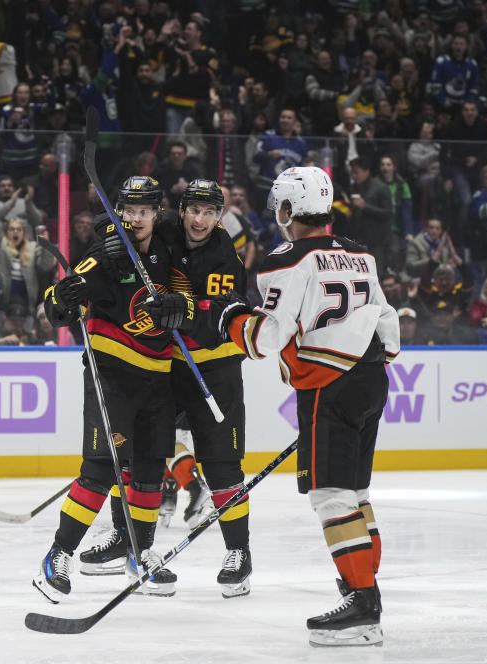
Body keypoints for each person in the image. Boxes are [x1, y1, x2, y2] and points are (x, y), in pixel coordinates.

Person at [187, 166, 398, 647]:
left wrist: (230, 318)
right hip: (371, 378)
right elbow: (386, 321)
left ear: (286, 210)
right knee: (356, 493)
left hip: (329, 385)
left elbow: (268, 338)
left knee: (331, 497)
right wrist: (366, 365)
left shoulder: (287, 258)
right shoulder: (360, 253)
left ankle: (362, 607)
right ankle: (361, 587)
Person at [33, 176, 178, 602]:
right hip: (112, 375)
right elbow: (56, 308)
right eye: (128, 211)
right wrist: (65, 295)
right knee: (100, 469)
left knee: (150, 472)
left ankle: (140, 551)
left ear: (158, 213)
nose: (136, 218)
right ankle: (57, 555)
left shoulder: (167, 249)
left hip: (159, 378)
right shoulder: (108, 253)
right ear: (120, 210)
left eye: (144, 211)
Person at [137, 179, 253, 598]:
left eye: (209, 212)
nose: (200, 220)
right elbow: (131, 223)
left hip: (215, 369)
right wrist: (107, 229)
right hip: (167, 368)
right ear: (181, 210)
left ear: (219, 217)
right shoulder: (164, 226)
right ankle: (138, 549)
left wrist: (185, 309)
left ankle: (239, 553)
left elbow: (219, 318)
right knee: (146, 456)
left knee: (222, 465)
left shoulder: (224, 255)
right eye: (194, 210)